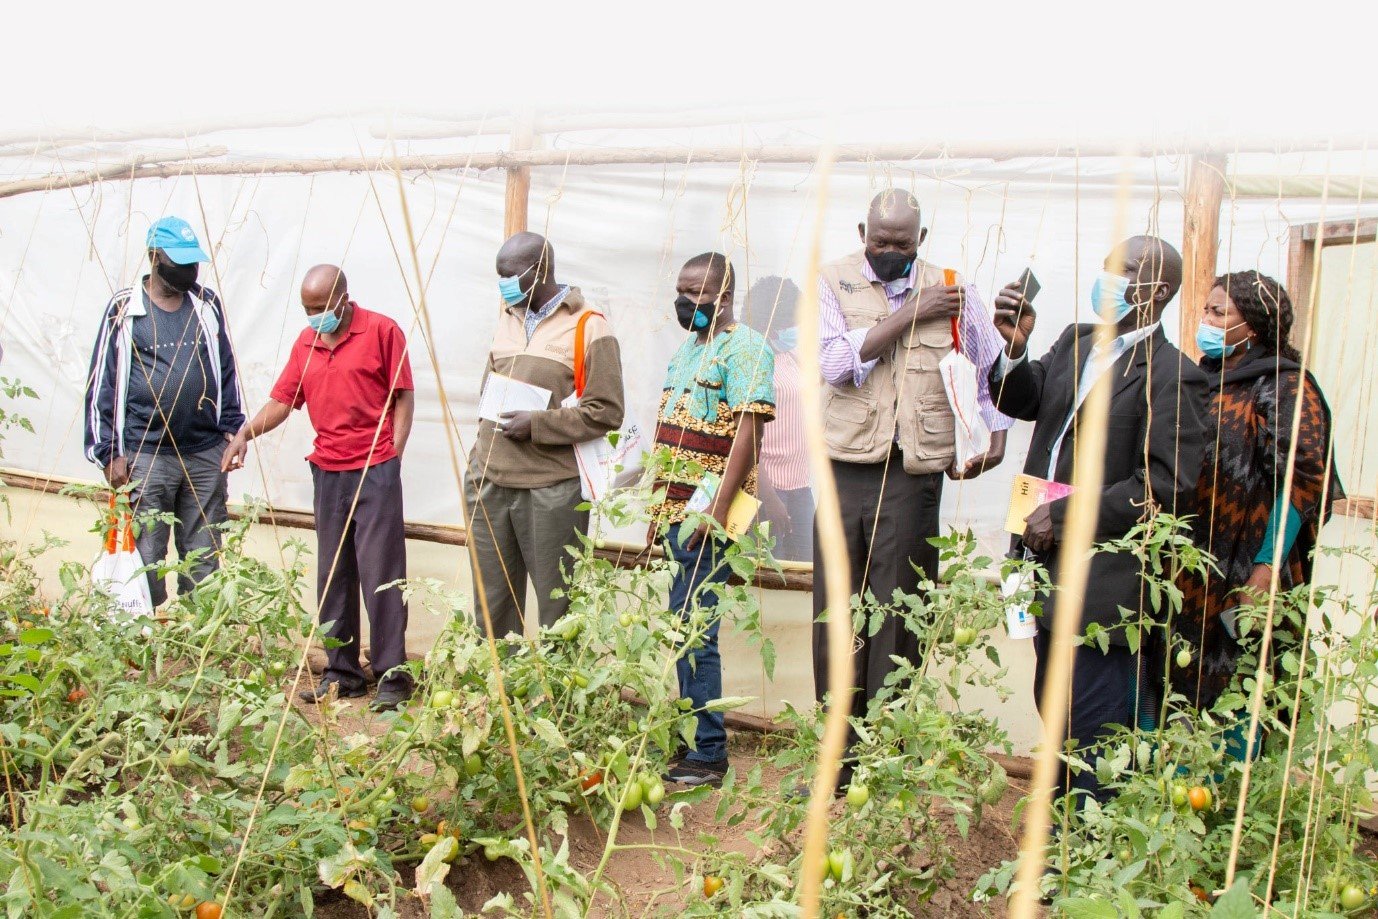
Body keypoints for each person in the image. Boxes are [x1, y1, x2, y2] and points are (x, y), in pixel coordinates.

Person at [989, 235, 1209, 803]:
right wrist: (1014, 349)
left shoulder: (1171, 376)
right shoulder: (1075, 341)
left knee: (1095, 722)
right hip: (1037, 550)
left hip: (1102, 574)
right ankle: (1066, 829)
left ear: (1156, 290)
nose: (1107, 278)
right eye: (1106, 266)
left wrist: (1064, 516)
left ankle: (1090, 849)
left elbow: (1165, 487)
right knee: (1052, 699)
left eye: (1124, 270)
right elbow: (1023, 400)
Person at [814, 190, 1012, 787]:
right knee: (837, 613)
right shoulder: (832, 282)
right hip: (846, 467)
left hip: (913, 476)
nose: (890, 252)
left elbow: (985, 375)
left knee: (899, 614)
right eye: (880, 241)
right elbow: (832, 363)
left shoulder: (956, 291)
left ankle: (883, 761)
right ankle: (836, 759)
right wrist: (909, 313)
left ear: (921, 239)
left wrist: (994, 433)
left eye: (903, 243)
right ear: (862, 231)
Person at [222, 266, 416, 712]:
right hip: (328, 470)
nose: (314, 318)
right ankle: (342, 672)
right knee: (334, 575)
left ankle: (392, 675)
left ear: (344, 299)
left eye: (321, 309)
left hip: (375, 467)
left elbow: (404, 395)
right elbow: (283, 402)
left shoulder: (383, 331)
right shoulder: (305, 344)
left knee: (382, 574)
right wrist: (243, 434)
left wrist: (394, 454)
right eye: (307, 310)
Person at [1173, 271, 1341, 714]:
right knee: (1177, 686)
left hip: (1249, 564)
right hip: (1193, 563)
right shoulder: (1202, 380)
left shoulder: (1286, 386)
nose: (1205, 319)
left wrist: (1266, 569)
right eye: (1206, 309)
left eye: (1218, 311)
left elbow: (1302, 480)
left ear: (1252, 326)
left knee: (1240, 686)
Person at [651, 252, 774, 787]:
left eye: (694, 292)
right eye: (680, 290)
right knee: (683, 625)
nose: (684, 302)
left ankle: (708, 752)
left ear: (723, 295)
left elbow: (749, 432)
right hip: (676, 514)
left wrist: (717, 511)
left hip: (707, 518)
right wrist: (658, 513)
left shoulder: (747, 348)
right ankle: (691, 742)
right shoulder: (687, 351)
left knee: (697, 630)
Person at [465, 232, 625, 639]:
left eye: (509, 275)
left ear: (538, 272)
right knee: (492, 605)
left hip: (549, 489)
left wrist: (536, 424)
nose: (502, 284)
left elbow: (606, 412)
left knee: (558, 608)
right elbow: (489, 393)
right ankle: (498, 695)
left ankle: (554, 701)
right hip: (488, 479)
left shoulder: (589, 326)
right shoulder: (508, 316)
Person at [83, 216, 244, 606]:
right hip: (145, 455)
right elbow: (101, 383)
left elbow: (225, 369)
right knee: (146, 558)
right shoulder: (124, 310)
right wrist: (107, 453)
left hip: (205, 453)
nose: (190, 270)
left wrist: (233, 428)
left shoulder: (206, 305)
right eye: (180, 263)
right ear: (155, 257)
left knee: (204, 557)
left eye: (194, 263)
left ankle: (197, 639)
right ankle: (145, 642)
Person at [744, 276, 813, 562]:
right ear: (772, 321)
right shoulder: (752, 361)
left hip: (799, 484)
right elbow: (744, 438)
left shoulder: (790, 355)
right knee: (770, 571)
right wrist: (768, 498)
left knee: (806, 571)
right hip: (768, 488)